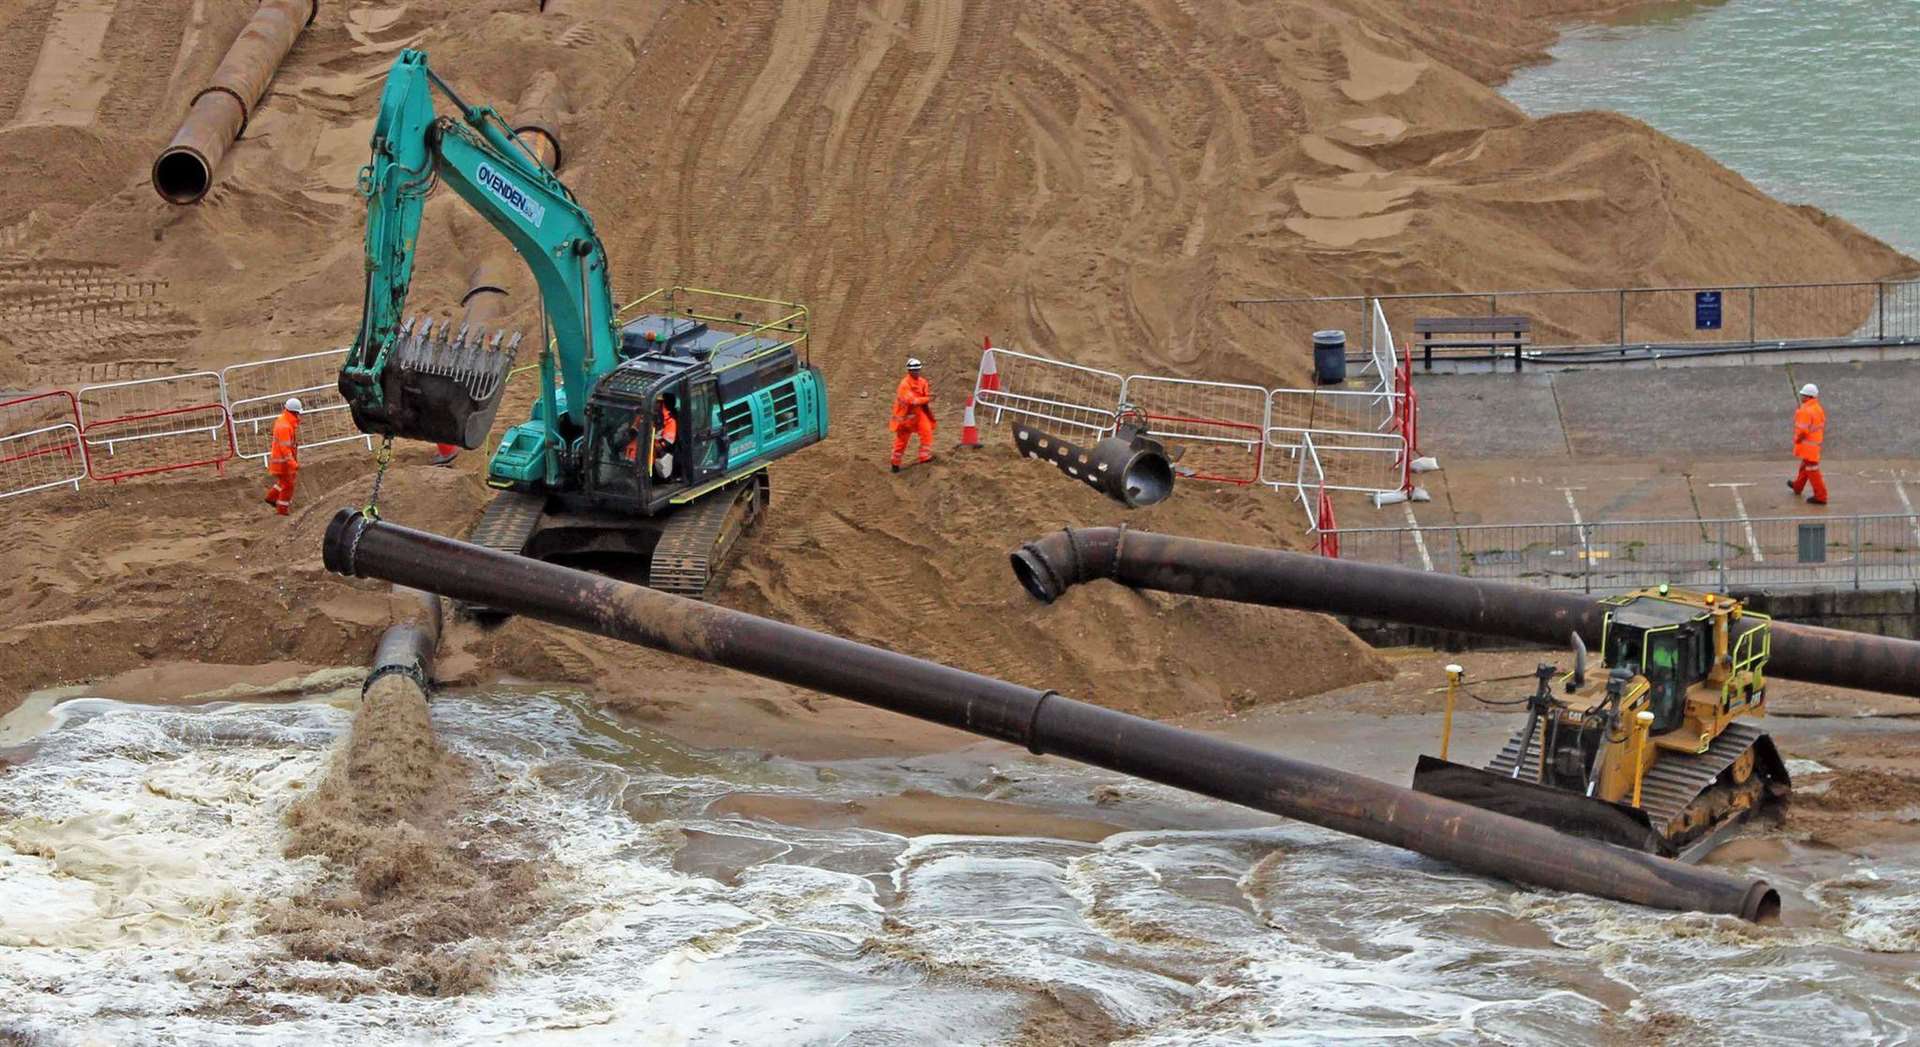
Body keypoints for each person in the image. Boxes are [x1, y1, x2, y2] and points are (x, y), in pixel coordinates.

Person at [888, 357, 935, 472]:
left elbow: (924, 396)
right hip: (904, 417)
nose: (916, 372)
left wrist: (925, 399)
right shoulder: (904, 385)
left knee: (927, 432)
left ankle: (925, 457)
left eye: (918, 369)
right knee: (901, 442)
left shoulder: (923, 382)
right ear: (909, 371)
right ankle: (895, 464)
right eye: (914, 370)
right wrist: (926, 399)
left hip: (918, 414)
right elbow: (912, 401)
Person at [1788, 382, 1828, 506]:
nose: (1801, 397)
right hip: (1814, 444)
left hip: (1807, 445)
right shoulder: (1818, 408)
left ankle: (1821, 496)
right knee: (1805, 466)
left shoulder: (1805, 411)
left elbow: (1802, 431)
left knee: (1812, 470)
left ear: (1808, 397)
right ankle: (1797, 486)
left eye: (1803, 395)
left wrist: (1797, 440)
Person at [263, 397, 302, 516]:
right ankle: (282, 509)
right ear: (295, 412)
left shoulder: (283, 421)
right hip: (283, 462)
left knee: (284, 482)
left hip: (281, 461)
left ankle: (271, 497)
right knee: (288, 485)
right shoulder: (285, 426)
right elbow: (285, 449)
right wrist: (293, 464)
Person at [653, 394, 678, 480]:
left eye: (657, 402)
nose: (655, 404)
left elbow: (666, 444)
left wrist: (652, 443)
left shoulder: (670, 421)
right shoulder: (648, 416)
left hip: (659, 453)